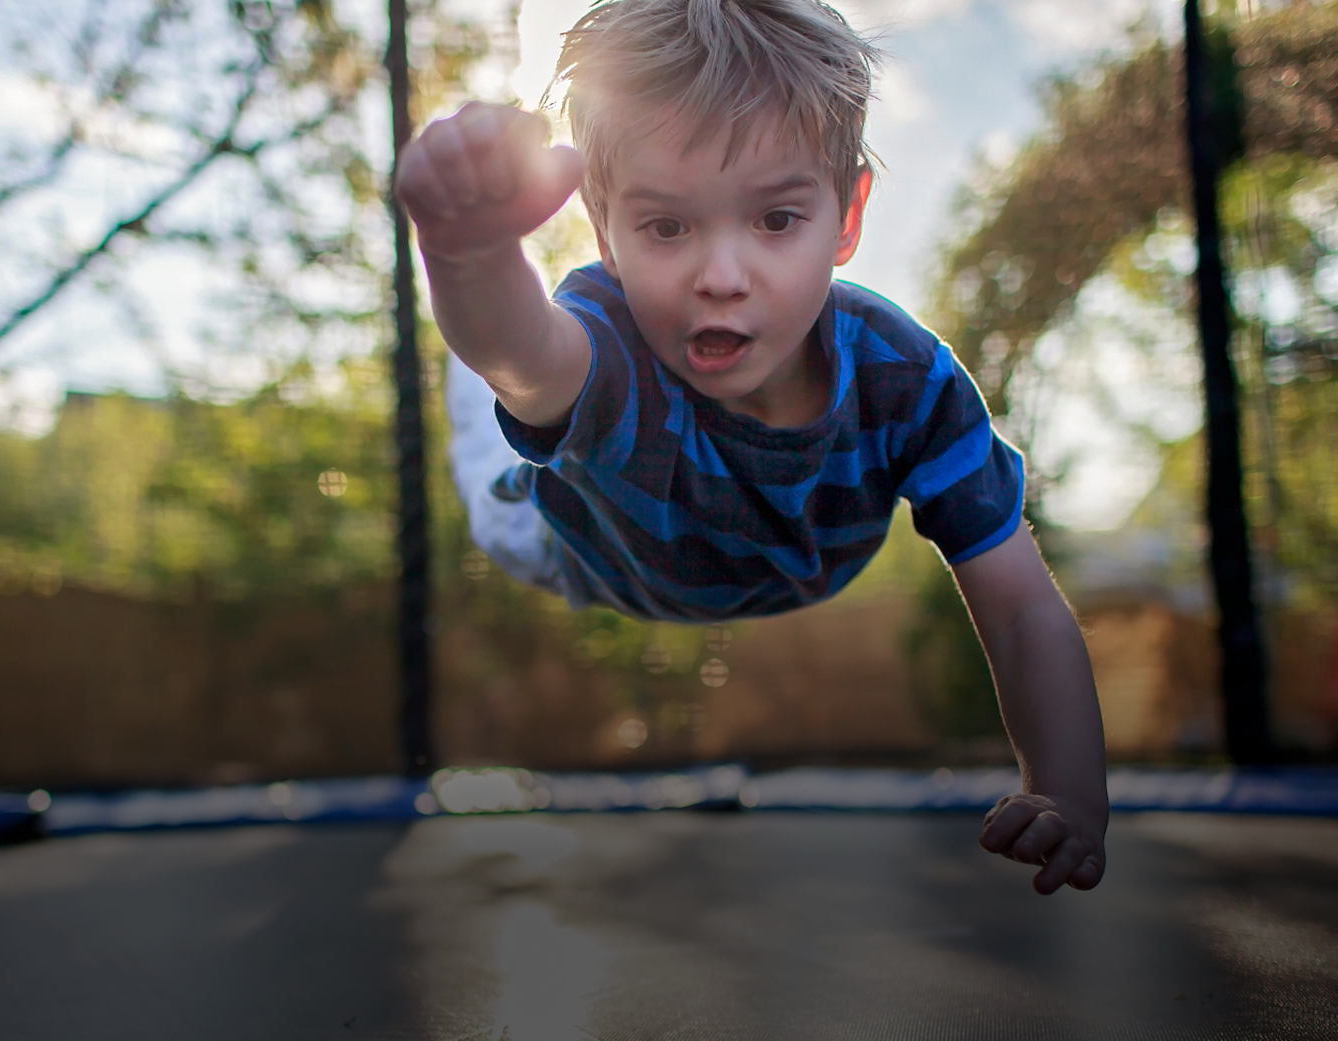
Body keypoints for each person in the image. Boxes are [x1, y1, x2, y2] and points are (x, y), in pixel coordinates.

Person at [393, 0, 1106, 894]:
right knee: (500, 376)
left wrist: (1069, 792)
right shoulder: (610, 342)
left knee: (512, 360)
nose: (722, 277)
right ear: (605, 231)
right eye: (666, 227)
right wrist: (465, 253)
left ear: (846, 217)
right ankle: (484, 328)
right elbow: (529, 358)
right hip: (569, 542)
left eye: (775, 220)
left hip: (765, 558)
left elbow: (1023, 608)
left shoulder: (908, 382)